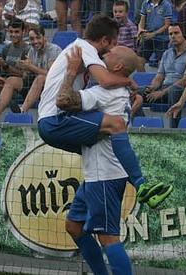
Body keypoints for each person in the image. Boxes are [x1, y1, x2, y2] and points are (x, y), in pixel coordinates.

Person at [38, 15, 169, 206]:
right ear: (104, 40)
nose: (110, 51)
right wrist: (130, 82)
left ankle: (140, 188)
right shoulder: (86, 48)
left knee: (104, 149)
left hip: (49, 121)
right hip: (55, 118)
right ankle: (141, 185)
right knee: (115, 125)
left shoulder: (78, 48)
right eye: (112, 44)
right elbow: (106, 80)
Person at [59, 46, 152, 275]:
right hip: (97, 175)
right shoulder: (117, 90)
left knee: (108, 237)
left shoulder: (105, 93)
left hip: (105, 176)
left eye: (110, 54)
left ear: (118, 66)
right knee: (74, 226)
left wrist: (71, 72)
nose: (103, 55)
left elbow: (63, 99)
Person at [0, 18, 32, 121]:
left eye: (16, 32)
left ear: (23, 32)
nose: (13, 35)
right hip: (6, 84)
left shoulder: (28, 50)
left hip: (22, 86)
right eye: (11, 32)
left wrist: (5, 66)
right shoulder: (6, 48)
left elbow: (25, 75)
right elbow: (4, 71)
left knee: (11, 80)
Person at [142, 23, 186, 128]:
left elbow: (185, 80)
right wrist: (153, 86)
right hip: (163, 89)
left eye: (176, 33)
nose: (173, 36)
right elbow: (159, 76)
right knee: (138, 92)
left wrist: (162, 93)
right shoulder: (166, 53)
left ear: (184, 35)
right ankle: (142, 126)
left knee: (174, 91)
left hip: (180, 91)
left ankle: (174, 131)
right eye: (170, 34)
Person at [12, 25, 62, 113]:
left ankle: (22, 110)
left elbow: (51, 75)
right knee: (10, 80)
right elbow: (26, 75)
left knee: (40, 78)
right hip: (35, 86)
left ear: (44, 37)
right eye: (32, 39)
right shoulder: (31, 50)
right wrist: (24, 68)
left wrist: (31, 67)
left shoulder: (54, 50)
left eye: (38, 38)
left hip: (54, 86)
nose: (35, 41)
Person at [138, 0, 172, 67]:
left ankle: (160, 80)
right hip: (148, 37)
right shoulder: (145, 3)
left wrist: (153, 34)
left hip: (161, 39)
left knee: (162, 64)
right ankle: (142, 81)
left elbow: (167, 25)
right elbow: (142, 20)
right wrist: (140, 29)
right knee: (139, 61)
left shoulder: (166, 5)